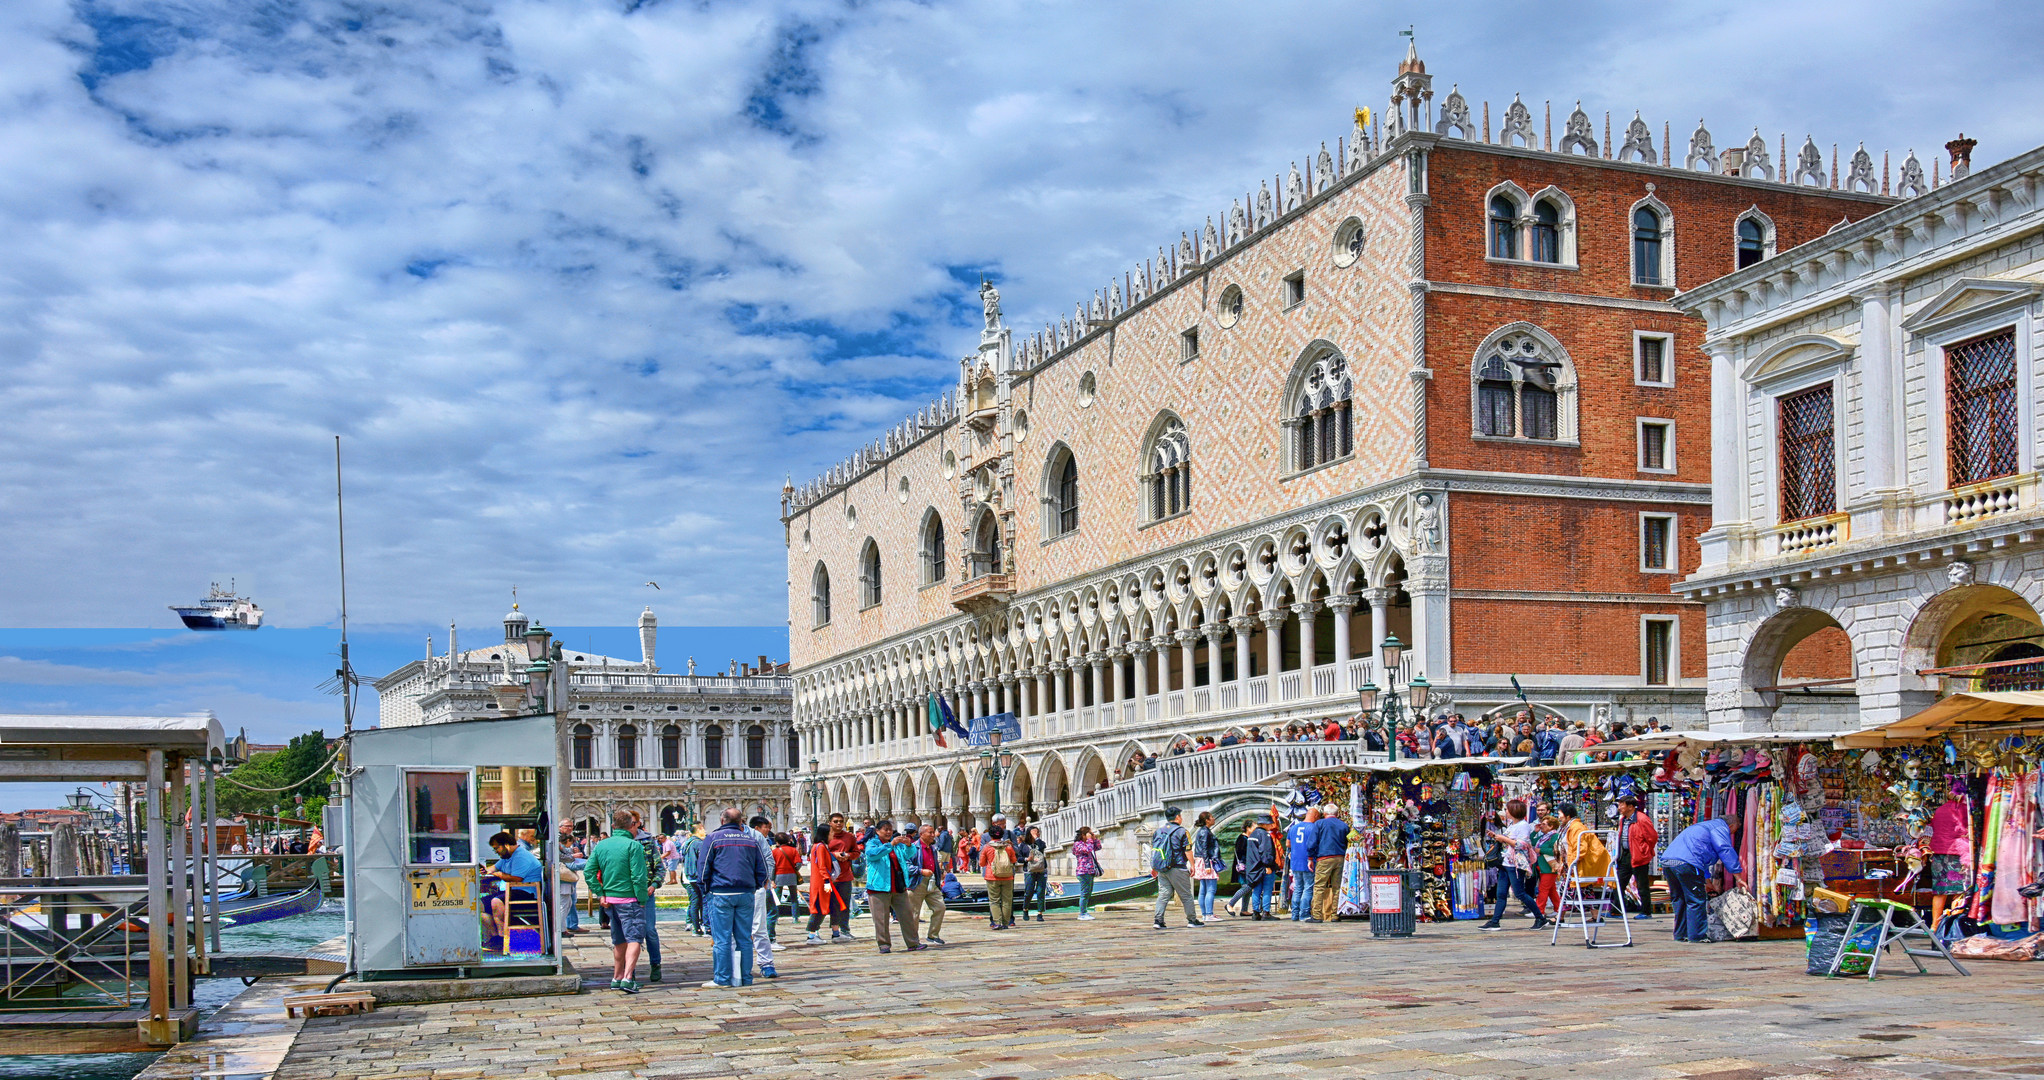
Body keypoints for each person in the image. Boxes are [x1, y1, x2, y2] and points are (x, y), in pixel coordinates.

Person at [692, 807, 769, 988]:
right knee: (744, 937)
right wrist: (754, 886)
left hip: (721, 893)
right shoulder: (751, 840)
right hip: (745, 893)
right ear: (741, 822)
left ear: (722, 821)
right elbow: (763, 869)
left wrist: (706, 889)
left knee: (722, 939)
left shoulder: (713, 838)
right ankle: (745, 977)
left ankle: (723, 978)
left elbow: (703, 868)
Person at [587, 809, 650, 994]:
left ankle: (616, 977)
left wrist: (600, 893)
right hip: (630, 899)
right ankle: (628, 978)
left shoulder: (601, 846)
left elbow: (589, 872)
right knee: (635, 938)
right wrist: (642, 899)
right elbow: (638, 876)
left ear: (614, 826)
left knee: (618, 940)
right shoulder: (633, 846)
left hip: (610, 900)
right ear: (632, 825)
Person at [1661, 814, 1744, 943]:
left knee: (1680, 899)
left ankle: (1680, 934)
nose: (1732, 834)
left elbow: (1699, 855)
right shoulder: (1720, 828)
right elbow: (1724, 849)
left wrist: (1707, 881)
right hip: (1686, 863)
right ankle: (1697, 936)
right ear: (1732, 825)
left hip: (1668, 862)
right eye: (1734, 831)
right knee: (1696, 900)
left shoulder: (1702, 826)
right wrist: (1738, 877)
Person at [1479, 801, 1546, 931]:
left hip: (1515, 864)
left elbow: (1521, 844)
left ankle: (1540, 917)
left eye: (1508, 810)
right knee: (1501, 893)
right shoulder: (1512, 825)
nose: (1506, 812)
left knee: (1520, 893)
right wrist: (1496, 837)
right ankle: (1495, 921)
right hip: (1505, 862)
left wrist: (1503, 839)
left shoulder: (1523, 826)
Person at [862, 821, 923, 954]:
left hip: (898, 885)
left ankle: (913, 942)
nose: (889, 832)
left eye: (890, 829)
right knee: (881, 919)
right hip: (879, 887)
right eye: (885, 830)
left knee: (907, 916)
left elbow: (909, 854)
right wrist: (890, 845)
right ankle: (884, 944)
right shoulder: (873, 843)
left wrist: (908, 845)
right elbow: (873, 855)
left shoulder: (897, 846)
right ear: (877, 831)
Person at [484, 831, 542, 949]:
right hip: (512, 892)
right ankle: (495, 937)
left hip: (527, 893)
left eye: (496, 848)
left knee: (496, 902)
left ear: (506, 845)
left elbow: (516, 878)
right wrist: (485, 871)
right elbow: (493, 868)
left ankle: (502, 937)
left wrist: (499, 874)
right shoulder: (506, 857)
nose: (496, 852)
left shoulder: (521, 856)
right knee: (479, 905)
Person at [1151, 806, 1202, 929]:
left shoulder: (1158, 831)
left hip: (1162, 867)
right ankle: (1192, 920)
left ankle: (1158, 921)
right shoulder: (1182, 831)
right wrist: (1193, 865)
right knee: (1186, 895)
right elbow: (1187, 850)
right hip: (1177, 867)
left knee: (1163, 894)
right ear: (1178, 817)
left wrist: (1154, 867)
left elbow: (1155, 850)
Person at [627, 812, 664, 983]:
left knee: (649, 930)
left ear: (638, 823)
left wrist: (654, 885)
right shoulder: (620, 842)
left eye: (633, 823)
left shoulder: (648, 841)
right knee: (628, 934)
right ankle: (630, 970)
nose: (630, 826)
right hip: (626, 895)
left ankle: (655, 964)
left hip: (646, 894)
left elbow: (660, 868)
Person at [1613, 794, 1659, 919]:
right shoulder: (1623, 819)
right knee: (1619, 883)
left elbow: (1652, 837)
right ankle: (1616, 910)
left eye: (1622, 805)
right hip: (1625, 855)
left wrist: (1644, 850)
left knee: (1642, 884)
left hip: (1639, 856)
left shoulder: (1642, 819)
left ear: (1631, 806)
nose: (1619, 807)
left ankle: (1646, 911)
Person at [804, 822, 850, 943]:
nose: (832, 834)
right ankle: (812, 935)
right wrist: (826, 881)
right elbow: (822, 866)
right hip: (822, 883)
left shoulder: (822, 846)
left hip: (825, 882)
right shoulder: (820, 847)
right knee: (819, 907)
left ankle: (836, 933)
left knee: (834, 905)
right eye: (830, 832)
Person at [748, 816, 780, 980]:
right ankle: (738, 966)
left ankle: (766, 964)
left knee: (758, 927)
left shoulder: (755, 836)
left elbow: (768, 858)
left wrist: (764, 881)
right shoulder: (717, 836)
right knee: (733, 931)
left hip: (755, 887)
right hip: (729, 890)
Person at [1309, 806, 1349, 922]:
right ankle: (1335, 915)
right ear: (1337, 813)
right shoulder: (1344, 825)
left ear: (1325, 813)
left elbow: (1312, 842)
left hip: (1324, 858)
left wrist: (1310, 858)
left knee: (1319, 886)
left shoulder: (1319, 824)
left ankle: (1317, 915)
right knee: (1338, 887)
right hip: (1340, 858)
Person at [911, 823, 948, 944]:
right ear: (921, 834)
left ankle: (933, 934)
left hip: (932, 881)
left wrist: (940, 873)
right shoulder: (913, 848)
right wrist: (920, 871)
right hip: (918, 881)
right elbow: (906, 866)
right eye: (930, 833)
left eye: (933, 832)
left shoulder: (933, 848)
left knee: (940, 907)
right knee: (914, 913)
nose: (933, 835)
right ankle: (913, 939)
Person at [980, 820, 1019, 929]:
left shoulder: (987, 847)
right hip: (1007, 876)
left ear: (990, 835)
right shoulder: (1008, 847)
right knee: (1007, 900)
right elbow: (1014, 860)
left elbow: (982, 863)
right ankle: (1006, 923)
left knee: (994, 900)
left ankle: (997, 922)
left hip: (992, 876)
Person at [1285, 807, 1319, 921]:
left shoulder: (1293, 828)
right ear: (1315, 816)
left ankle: (1295, 914)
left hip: (1295, 862)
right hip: (1308, 862)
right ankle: (1304, 914)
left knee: (1298, 888)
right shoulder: (1314, 828)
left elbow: (1288, 843)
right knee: (1308, 888)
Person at [1241, 819, 1277, 919]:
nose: (1271, 826)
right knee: (1267, 889)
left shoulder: (1252, 835)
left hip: (1253, 867)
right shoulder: (1265, 835)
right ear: (1264, 824)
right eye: (1270, 824)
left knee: (1256, 890)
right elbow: (1266, 851)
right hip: (1263, 867)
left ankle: (1255, 912)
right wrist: (1268, 865)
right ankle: (1266, 912)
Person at [556, 824, 587, 936]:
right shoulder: (558, 847)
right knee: (563, 905)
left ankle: (563, 928)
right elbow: (568, 862)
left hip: (566, 880)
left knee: (567, 904)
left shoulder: (561, 847)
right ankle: (561, 929)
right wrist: (575, 857)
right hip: (563, 880)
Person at [1191, 811, 1222, 920]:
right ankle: (1209, 914)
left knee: (1203, 889)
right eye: (1212, 817)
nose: (1214, 819)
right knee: (1211, 889)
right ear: (1207, 820)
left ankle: (1205, 915)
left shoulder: (1203, 831)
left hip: (1201, 860)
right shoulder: (1205, 832)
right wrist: (1208, 865)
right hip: (1206, 861)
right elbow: (1204, 849)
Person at [679, 826, 707, 937]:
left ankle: (693, 925)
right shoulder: (698, 843)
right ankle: (700, 927)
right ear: (699, 830)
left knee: (695, 901)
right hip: (694, 876)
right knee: (699, 901)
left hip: (687, 876)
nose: (705, 831)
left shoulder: (687, 842)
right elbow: (702, 861)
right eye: (703, 829)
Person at [1019, 826, 1050, 922]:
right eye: (1034, 832)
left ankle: (1040, 913)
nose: (1036, 834)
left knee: (1041, 891)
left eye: (1037, 832)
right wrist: (1027, 859)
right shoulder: (1023, 845)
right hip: (1029, 871)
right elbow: (1018, 858)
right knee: (1029, 891)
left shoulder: (1040, 843)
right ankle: (1025, 909)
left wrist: (1036, 838)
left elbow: (1042, 847)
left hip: (1041, 870)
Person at [1071, 826, 1102, 920]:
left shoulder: (1089, 843)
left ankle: (1084, 912)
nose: (1090, 835)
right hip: (1083, 871)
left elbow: (1098, 847)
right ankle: (1082, 913)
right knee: (1084, 893)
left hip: (1090, 871)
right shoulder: (1078, 844)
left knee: (1088, 893)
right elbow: (1087, 849)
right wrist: (1089, 840)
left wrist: (1094, 838)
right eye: (1089, 833)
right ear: (1083, 835)